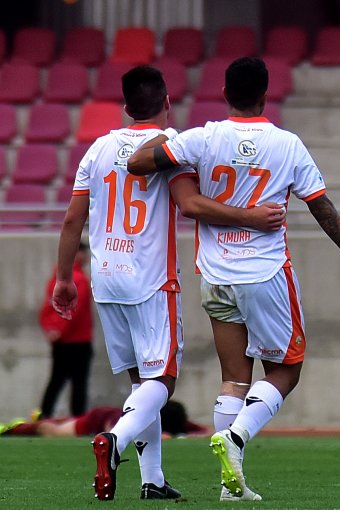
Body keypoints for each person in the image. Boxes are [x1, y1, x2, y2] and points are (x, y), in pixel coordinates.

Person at [127, 56, 340, 501]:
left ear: (223, 93)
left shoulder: (202, 138)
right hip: (264, 273)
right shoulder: (287, 144)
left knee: (234, 379)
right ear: (265, 94)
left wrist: (169, 145)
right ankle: (236, 438)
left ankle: (230, 487)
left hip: (215, 275)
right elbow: (319, 204)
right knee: (286, 369)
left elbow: (139, 164)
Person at [53, 65, 286, 501]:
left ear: (125, 107)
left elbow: (72, 219)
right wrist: (250, 218)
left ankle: (152, 479)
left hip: (105, 279)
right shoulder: (169, 150)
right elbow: (190, 204)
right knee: (162, 382)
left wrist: (65, 278)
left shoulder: (98, 150)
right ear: (165, 103)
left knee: (144, 383)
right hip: (152, 279)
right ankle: (114, 441)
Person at [38, 241, 93, 418]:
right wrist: (60, 329)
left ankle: (44, 415)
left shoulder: (56, 278)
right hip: (78, 341)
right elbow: (74, 310)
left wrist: (51, 330)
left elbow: (47, 308)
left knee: (56, 381)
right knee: (79, 383)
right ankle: (78, 419)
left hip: (60, 341)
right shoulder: (79, 279)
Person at [0, 400, 207, 438]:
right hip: (98, 419)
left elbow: (206, 431)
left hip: (102, 415)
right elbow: (113, 429)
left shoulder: (176, 419)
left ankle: (36, 420)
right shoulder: (131, 419)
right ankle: (15, 428)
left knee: (61, 422)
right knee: (49, 430)